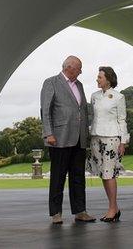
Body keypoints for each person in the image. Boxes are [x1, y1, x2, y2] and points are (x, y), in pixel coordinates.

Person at [40, 56, 95, 224]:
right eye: (79, 68)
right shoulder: (51, 82)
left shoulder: (79, 85)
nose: (81, 71)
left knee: (78, 176)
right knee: (58, 176)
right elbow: (45, 110)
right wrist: (48, 133)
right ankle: (56, 213)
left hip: (79, 138)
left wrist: (87, 133)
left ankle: (80, 211)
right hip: (58, 137)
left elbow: (83, 110)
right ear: (69, 67)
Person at [88, 66, 128, 222]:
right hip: (96, 138)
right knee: (103, 174)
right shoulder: (94, 96)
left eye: (100, 77)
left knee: (109, 174)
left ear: (108, 79)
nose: (97, 79)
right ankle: (114, 208)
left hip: (112, 138)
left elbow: (122, 120)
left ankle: (112, 208)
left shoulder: (119, 97)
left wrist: (123, 142)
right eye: (97, 77)